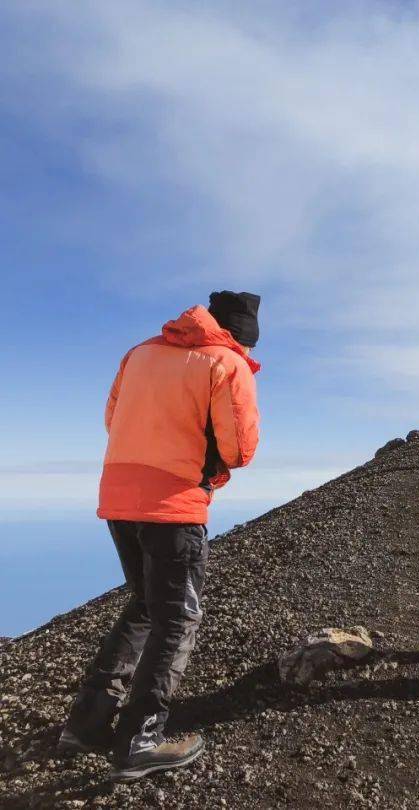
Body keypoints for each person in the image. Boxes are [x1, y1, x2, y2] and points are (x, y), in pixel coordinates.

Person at [58, 291, 262, 782]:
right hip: (173, 504)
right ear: (242, 333)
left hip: (120, 497)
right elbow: (238, 449)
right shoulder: (225, 363)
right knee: (178, 619)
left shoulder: (140, 352)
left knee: (146, 605)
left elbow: (112, 418)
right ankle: (140, 740)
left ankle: (86, 724)